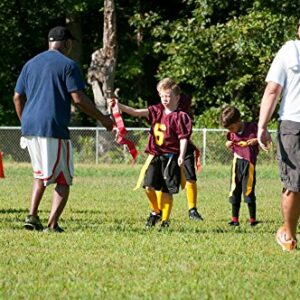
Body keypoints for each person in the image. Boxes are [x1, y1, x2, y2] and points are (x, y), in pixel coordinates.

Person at [13, 26, 114, 232]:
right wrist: (103, 118)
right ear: (67, 43)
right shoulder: (68, 65)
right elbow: (78, 99)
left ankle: (32, 216)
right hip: (52, 127)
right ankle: (52, 224)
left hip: (30, 126)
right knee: (63, 178)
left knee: (40, 174)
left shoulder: (30, 64)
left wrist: (25, 121)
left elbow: (17, 96)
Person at [108, 78, 192, 229]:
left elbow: (183, 138)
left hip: (171, 157)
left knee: (167, 190)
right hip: (155, 155)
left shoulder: (181, 117)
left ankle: (165, 220)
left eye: (168, 96)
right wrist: (118, 105)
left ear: (177, 97)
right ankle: (155, 211)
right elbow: (135, 112)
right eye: (162, 95)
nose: (165, 99)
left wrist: (181, 155)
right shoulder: (156, 110)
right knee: (148, 186)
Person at [258, 20, 300, 252]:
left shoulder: (290, 50)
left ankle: (290, 237)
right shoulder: (289, 49)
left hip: (293, 124)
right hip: (293, 124)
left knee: (294, 185)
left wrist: (261, 126)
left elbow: (273, 90)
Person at [154, 90, 203, 221]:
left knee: (190, 177)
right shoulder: (166, 108)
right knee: (163, 180)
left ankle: (192, 210)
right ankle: (159, 211)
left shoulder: (182, 111)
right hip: (168, 149)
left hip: (184, 149)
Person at [220, 106, 259, 227]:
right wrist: (227, 144)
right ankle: (234, 219)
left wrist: (256, 140)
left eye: (232, 127)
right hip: (236, 163)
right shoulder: (232, 133)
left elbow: (265, 139)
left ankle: (253, 220)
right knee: (234, 190)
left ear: (238, 121)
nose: (231, 131)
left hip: (249, 164)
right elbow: (229, 141)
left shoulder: (252, 128)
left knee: (248, 190)